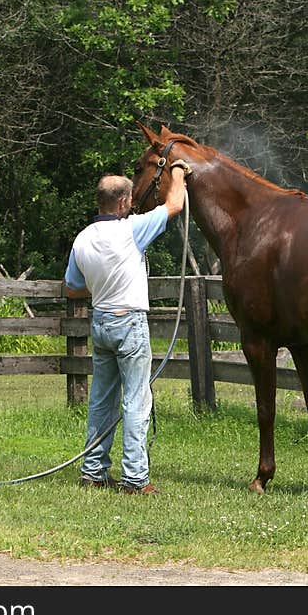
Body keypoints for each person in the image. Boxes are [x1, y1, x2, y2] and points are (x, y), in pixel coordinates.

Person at [63, 160, 192, 495]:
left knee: (102, 400)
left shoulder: (83, 238)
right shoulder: (132, 228)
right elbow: (174, 204)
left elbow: (72, 287)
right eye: (130, 200)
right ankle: (135, 479)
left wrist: (103, 282)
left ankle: (93, 471)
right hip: (129, 322)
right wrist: (177, 171)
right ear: (123, 203)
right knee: (136, 399)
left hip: (101, 321)